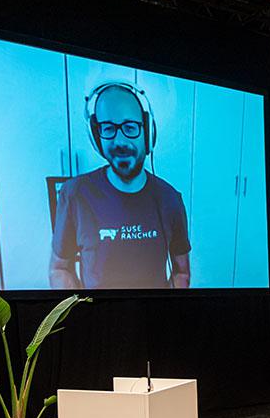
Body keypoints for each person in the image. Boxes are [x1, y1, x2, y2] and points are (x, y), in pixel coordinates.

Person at [50, 82, 191, 289]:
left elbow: (182, 272)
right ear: (96, 136)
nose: (120, 141)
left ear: (147, 132)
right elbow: (59, 269)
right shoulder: (74, 194)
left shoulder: (170, 198)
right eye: (108, 128)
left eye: (130, 127)